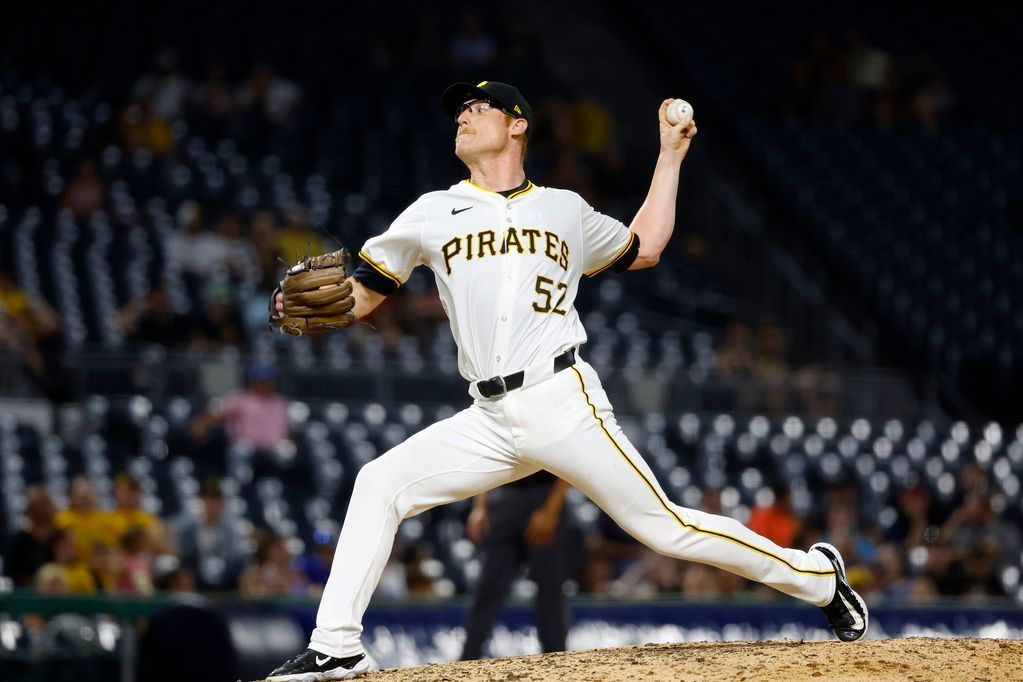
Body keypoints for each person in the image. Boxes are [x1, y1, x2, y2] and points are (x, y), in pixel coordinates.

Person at [265, 81, 866, 680]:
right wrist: (304, 305)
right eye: (459, 112)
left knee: (665, 528)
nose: (464, 117)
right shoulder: (432, 211)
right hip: (488, 417)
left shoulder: (564, 209)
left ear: (517, 124)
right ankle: (336, 645)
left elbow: (645, 247)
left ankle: (817, 578)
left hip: (561, 399)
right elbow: (365, 293)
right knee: (379, 483)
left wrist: (670, 156)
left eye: (478, 108)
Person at [460, 474, 571, 660]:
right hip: (505, 492)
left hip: (544, 491)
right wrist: (479, 506)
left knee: (550, 587)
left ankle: (557, 659)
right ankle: (468, 659)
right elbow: (490, 460)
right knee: (488, 585)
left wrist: (551, 509)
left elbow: (567, 463)